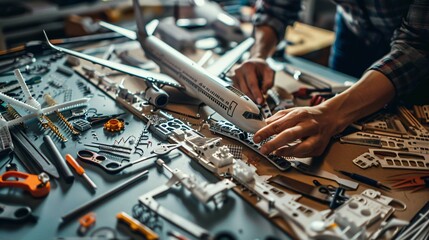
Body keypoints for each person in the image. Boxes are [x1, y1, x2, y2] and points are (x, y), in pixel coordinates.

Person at [230, 0, 429, 158]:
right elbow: (276, 7)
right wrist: (258, 55)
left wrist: (331, 114)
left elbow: (417, 45)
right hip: (353, 29)